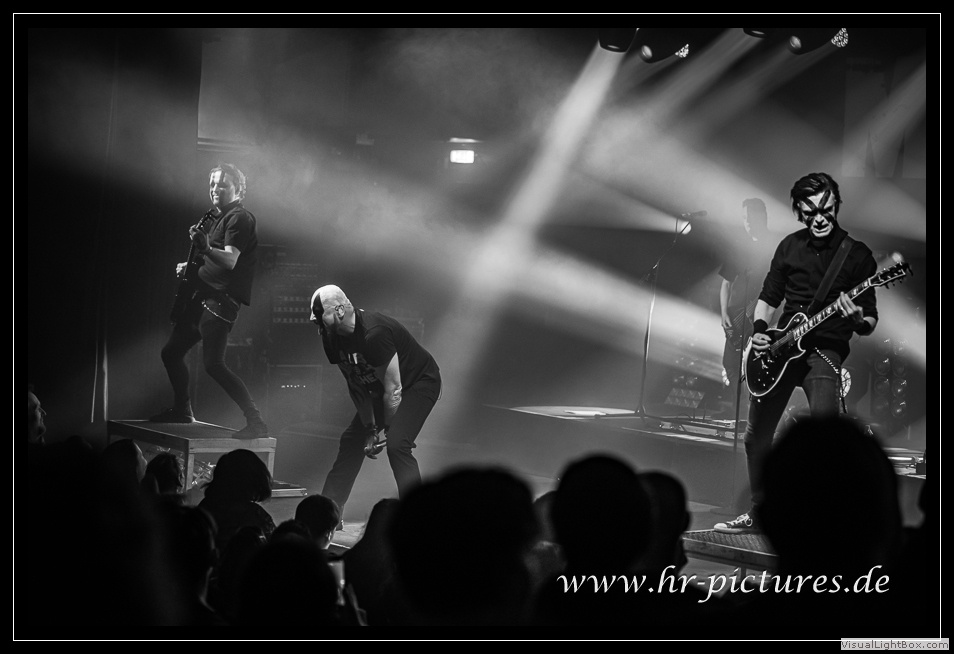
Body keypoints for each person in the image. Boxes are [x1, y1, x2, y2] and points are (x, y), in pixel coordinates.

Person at [715, 172, 879, 534]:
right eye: (810, 211)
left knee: (824, 441)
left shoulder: (857, 256)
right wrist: (761, 332)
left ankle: (819, 521)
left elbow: (870, 318)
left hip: (824, 351)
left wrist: (858, 319)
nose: (819, 218)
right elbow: (769, 296)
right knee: (756, 435)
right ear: (799, 212)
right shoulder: (789, 247)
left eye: (826, 209)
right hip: (782, 347)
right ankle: (760, 511)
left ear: (835, 205)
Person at [150, 162, 268, 439]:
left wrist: (204, 248)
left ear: (239, 189)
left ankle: (256, 422)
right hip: (202, 297)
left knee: (214, 365)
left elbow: (230, 260)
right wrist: (192, 266)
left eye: (223, 184)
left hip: (219, 301)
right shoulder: (218, 218)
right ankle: (182, 410)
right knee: (171, 353)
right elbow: (215, 259)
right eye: (213, 184)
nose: (216, 189)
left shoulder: (239, 218)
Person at [310, 284, 441, 519]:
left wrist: (389, 429)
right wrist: (370, 429)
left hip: (418, 382)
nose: (312, 319)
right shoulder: (330, 337)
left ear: (339, 311)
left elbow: (394, 389)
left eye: (319, 313)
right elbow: (356, 383)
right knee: (352, 440)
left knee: (397, 444)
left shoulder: (374, 333)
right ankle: (328, 513)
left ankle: (417, 515)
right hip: (382, 388)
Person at [714, 198, 774, 420]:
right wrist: (724, 314)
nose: (747, 222)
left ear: (761, 217)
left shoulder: (774, 249)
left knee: (755, 366)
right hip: (735, 317)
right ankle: (738, 410)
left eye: (750, 217)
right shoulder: (740, 249)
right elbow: (726, 283)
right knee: (730, 364)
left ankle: (754, 414)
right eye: (744, 218)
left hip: (760, 319)